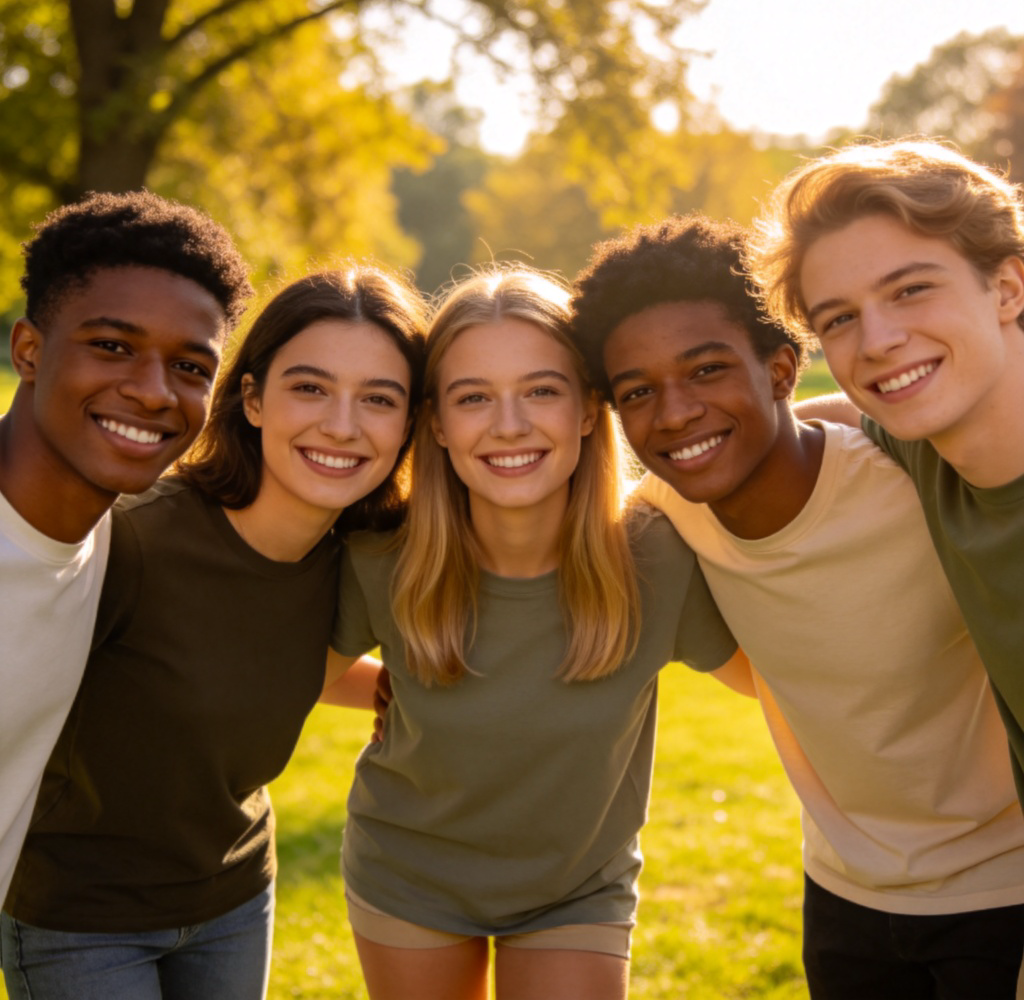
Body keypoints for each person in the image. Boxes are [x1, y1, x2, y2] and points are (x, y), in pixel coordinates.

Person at [569, 213, 1024, 999]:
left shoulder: (911, 483)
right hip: (845, 895)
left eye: (707, 370)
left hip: (1004, 891)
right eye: (637, 392)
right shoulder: (662, 519)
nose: (674, 413)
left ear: (782, 370)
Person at [1, 266, 427, 1000]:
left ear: (410, 424)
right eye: (310, 387)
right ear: (254, 399)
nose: (342, 424)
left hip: (233, 898)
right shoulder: (133, 541)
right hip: (81, 920)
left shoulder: (360, 559)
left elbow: (290, 667)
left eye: (379, 400)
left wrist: (405, 692)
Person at [331, 265, 739, 1000]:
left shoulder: (660, 554)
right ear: (437, 424)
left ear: (589, 409)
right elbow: (320, 675)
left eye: (541, 391)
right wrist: (394, 688)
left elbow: (781, 680)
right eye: (474, 397)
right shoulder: (380, 555)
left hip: (576, 886)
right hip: (410, 873)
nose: (509, 425)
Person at [745, 140, 1024, 804]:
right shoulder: (928, 443)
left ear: (1008, 289)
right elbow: (831, 416)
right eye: (839, 319)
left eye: (911, 290)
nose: (877, 342)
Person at [0, 190, 251, 907]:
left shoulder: (119, 541)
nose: (152, 393)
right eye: (112, 347)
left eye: (190, 368)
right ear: (29, 350)